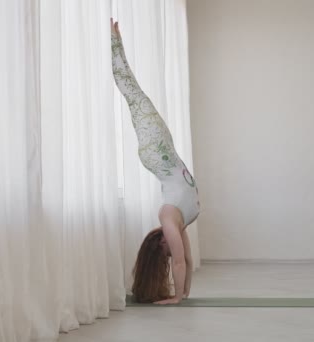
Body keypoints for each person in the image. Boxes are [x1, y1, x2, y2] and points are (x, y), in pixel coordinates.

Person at [111, 19, 200, 304]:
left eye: (166, 250)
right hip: (162, 150)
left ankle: (114, 44)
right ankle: (115, 45)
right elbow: (185, 259)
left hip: (157, 149)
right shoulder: (181, 222)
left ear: (160, 242)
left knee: (133, 93)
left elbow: (180, 263)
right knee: (133, 95)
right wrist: (182, 294)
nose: (171, 251)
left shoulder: (167, 216)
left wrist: (175, 298)